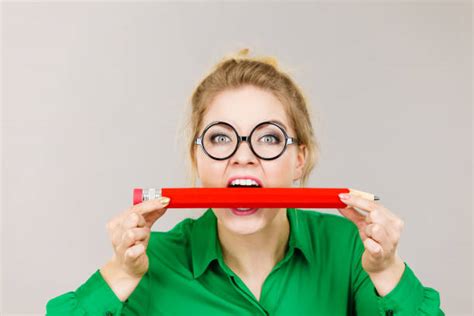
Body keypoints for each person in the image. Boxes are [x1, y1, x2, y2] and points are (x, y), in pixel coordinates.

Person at [46, 49, 443, 315]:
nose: (243, 154)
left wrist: (388, 271)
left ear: (299, 160)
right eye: (220, 138)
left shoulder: (349, 250)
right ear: (196, 158)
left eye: (268, 138)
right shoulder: (151, 265)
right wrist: (120, 275)